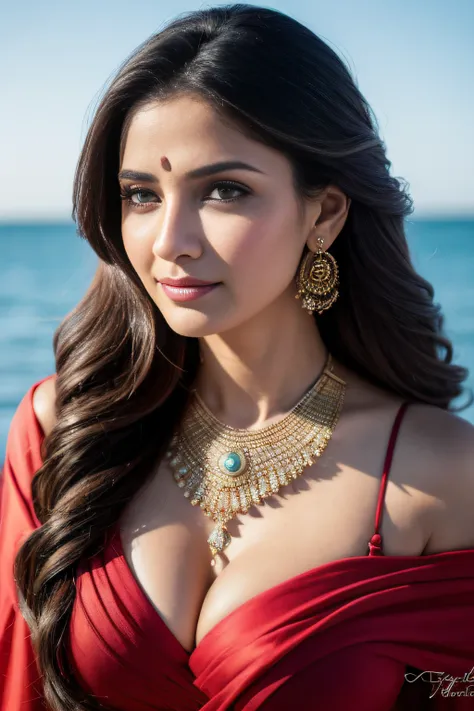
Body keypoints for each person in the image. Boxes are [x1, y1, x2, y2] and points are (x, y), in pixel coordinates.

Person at [1, 4, 474, 710]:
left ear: (324, 213)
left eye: (224, 190)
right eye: (141, 195)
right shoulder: (63, 427)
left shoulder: (440, 474)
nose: (170, 241)